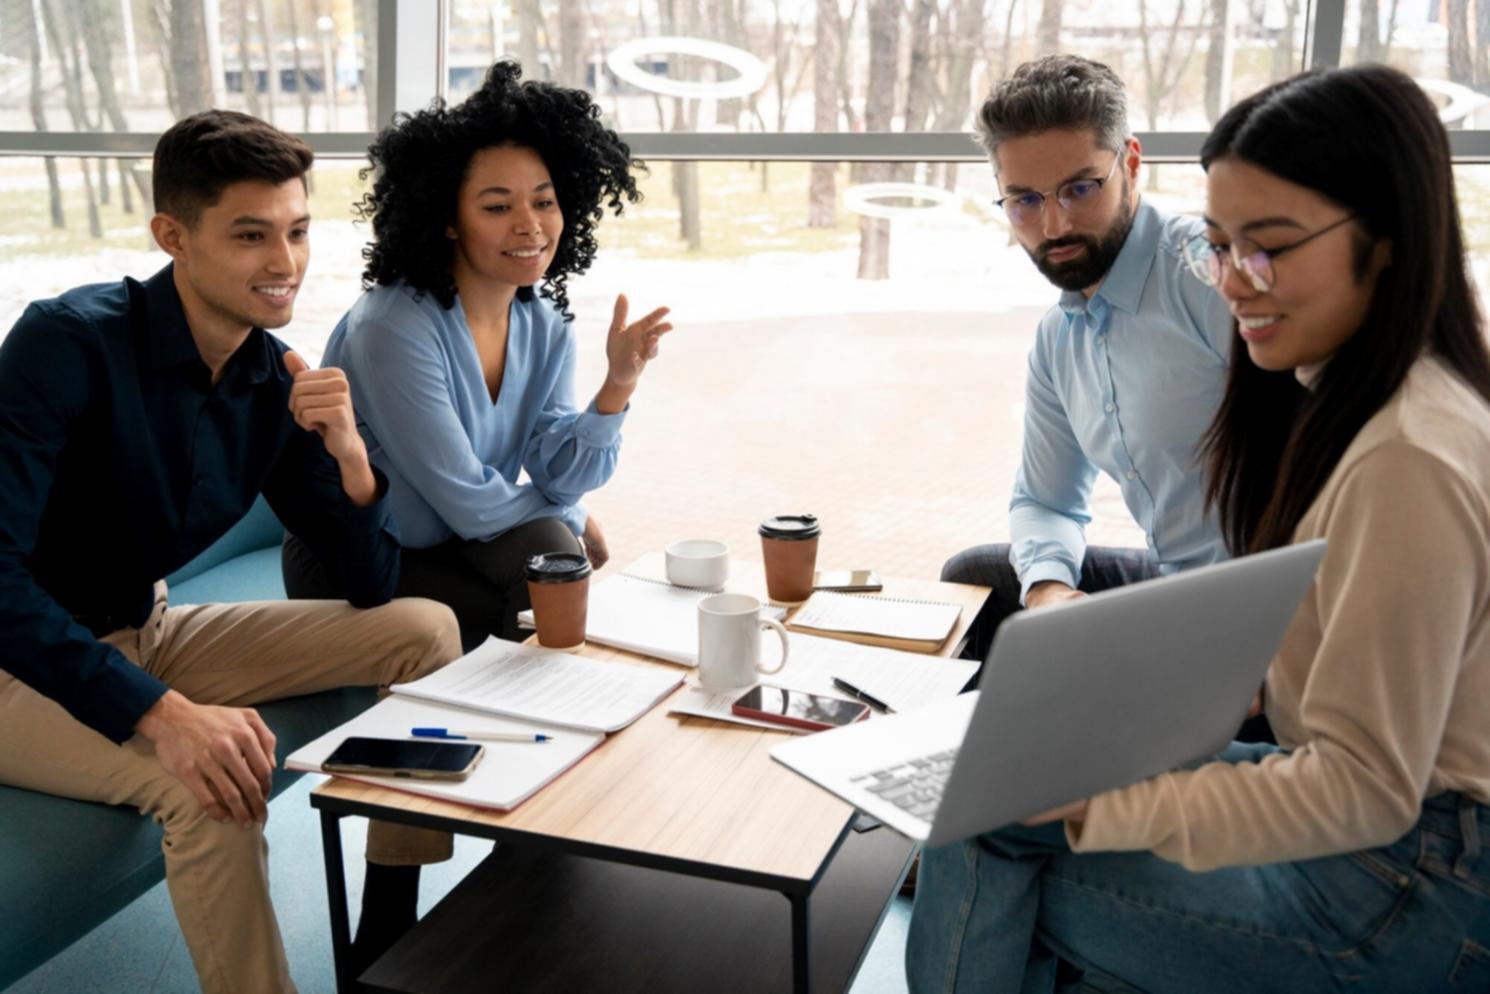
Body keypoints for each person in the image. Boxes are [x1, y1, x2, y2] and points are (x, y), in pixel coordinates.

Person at [906, 64, 1490, 994]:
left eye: (1269, 247)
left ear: (1385, 241)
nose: (1232, 282)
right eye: (1220, 245)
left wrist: (1108, 799)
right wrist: (1061, 609)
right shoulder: (1369, 396)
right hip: (1383, 821)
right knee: (996, 754)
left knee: (979, 822)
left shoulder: (1403, 455)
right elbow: (1045, 499)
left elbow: (1362, 788)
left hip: (1413, 890)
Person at [0, 111, 463, 994]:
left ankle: (387, 937)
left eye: (296, 231)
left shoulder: (270, 375)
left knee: (426, 629)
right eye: (251, 235)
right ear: (172, 236)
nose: (284, 262)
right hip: (16, 667)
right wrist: (163, 714)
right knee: (211, 790)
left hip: (148, 624)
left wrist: (355, 461)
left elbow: (372, 583)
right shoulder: (63, 345)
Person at [282, 61, 673, 651]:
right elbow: (470, 502)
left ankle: (559, 722)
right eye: (497, 208)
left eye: (544, 202)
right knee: (551, 571)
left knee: (552, 567)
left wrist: (617, 386)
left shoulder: (544, 320)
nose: (531, 226)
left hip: (456, 541)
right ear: (447, 221)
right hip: (357, 559)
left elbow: (554, 471)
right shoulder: (392, 328)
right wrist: (571, 516)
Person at [943, 55, 1233, 663]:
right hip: (1177, 583)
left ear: (1130, 163)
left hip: (1261, 597)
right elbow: (1045, 503)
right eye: (1023, 199)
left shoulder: (1209, 276)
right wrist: (1050, 591)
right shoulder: (1058, 341)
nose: (1054, 224)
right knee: (978, 579)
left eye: (1080, 188)